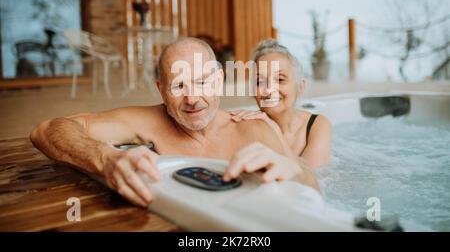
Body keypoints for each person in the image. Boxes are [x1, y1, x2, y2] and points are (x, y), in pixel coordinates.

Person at [30, 38, 319, 207]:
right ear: (161, 90)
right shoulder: (147, 121)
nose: (193, 99)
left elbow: (313, 191)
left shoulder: (255, 129)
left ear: (219, 81)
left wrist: (294, 170)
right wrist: (105, 158)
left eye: (203, 82)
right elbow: (45, 130)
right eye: (179, 86)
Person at [230, 39, 332, 168]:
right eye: (260, 82)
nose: (268, 89)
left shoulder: (317, 126)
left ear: (300, 86)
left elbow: (311, 180)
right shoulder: (248, 127)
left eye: (279, 79)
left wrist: (275, 130)